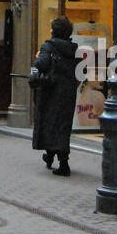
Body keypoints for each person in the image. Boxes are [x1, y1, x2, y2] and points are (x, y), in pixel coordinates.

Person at [30, 16, 80, 176]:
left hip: (50, 91)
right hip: (67, 93)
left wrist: (34, 69)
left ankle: (61, 164)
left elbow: (40, 65)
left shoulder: (48, 47)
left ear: (54, 31)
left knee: (49, 123)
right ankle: (55, 158)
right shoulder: (73, 49)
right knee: (63, 126)